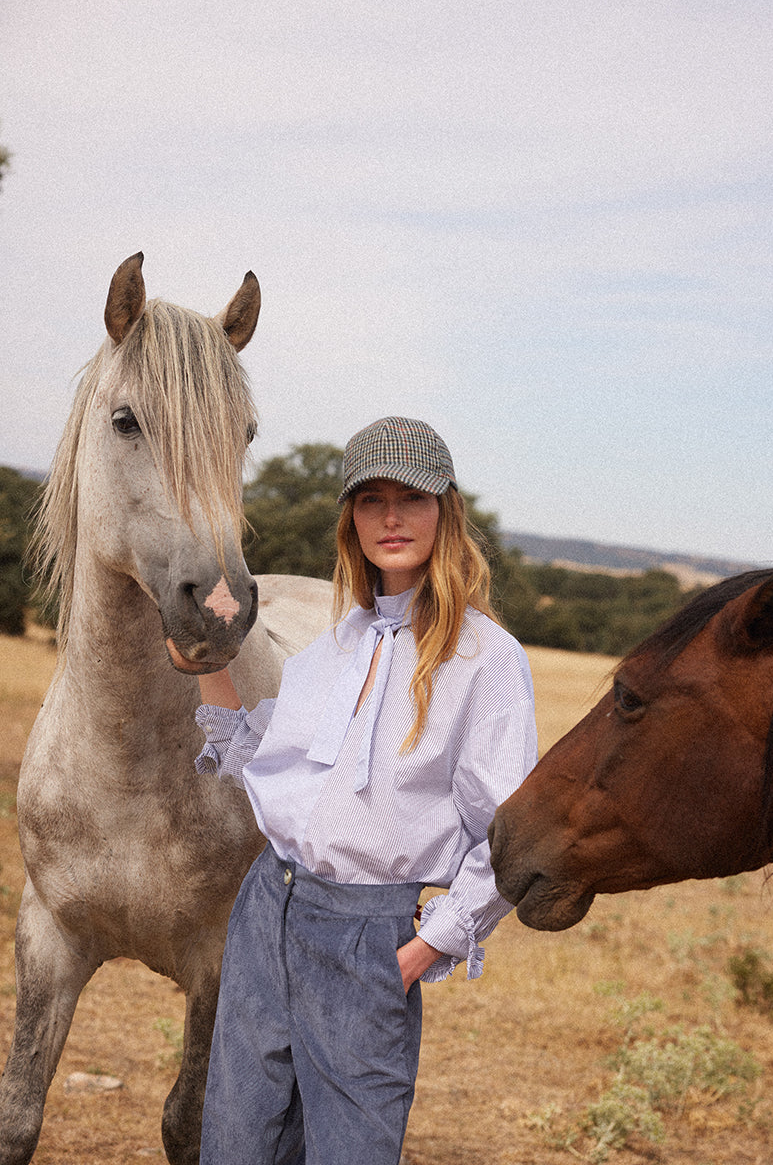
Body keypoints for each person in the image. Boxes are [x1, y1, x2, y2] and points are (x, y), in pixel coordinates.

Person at [173, 416, 537, 1165]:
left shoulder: (487, 659)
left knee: (351, 1152)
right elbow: (263, 759)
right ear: (352, 519)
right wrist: (210, 659)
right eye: (371, 499)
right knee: (236, 1144)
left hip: (369, 938)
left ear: (447, 509)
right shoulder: (337, 639)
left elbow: (510, 836)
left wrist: (421, 948)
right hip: (268, 909)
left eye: (411, 496)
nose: (392, 517)